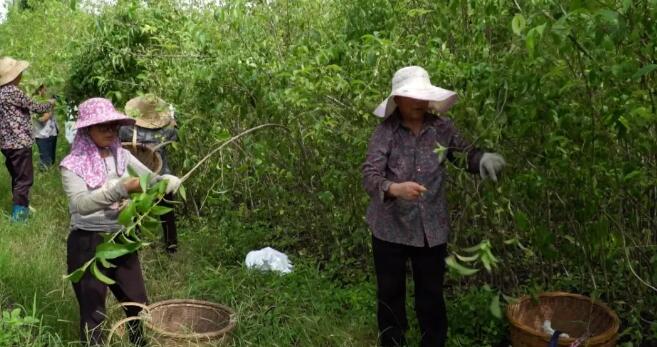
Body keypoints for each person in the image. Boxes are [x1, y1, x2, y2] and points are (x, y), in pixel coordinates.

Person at [362, 66, 506, 347]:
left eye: (422, 96)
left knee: (431, 292)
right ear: (398, 101)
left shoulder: (442, 128)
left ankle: (434, 341)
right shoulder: (386, 132)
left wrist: (482, 160)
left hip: (432, 228)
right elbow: (370, 175)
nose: (418, 101)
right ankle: (392, 340)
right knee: (390, 292)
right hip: (390, 228)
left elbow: (464, 154)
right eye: (411, 96)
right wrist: (395, 188)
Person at [60, 97, 181, 346]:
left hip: (122, 238)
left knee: (137, 302)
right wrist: (120, 189)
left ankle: (138, 342)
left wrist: (166, 182)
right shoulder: (72, 165)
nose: (109, 131)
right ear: (87, 129)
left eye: (113, 126)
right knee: (93, 311)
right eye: (102, 126)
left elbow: (149, 180)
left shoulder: (122, 155)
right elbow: (80, 205)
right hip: (89, 243)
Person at [119, 94, 179, 253]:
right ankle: (171, 246)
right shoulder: (168, 130)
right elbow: (176, 136)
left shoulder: (127, 128)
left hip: (136, 176)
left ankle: (134, 245)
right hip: (161, 175)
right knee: (167, 214)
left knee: (134, 211)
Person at [0, 57, 55, 222]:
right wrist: (50, 103)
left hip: (6, 144)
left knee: (17, 177)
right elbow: (35, 107)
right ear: (15, 76)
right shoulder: (13, 91)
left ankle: (21, 205)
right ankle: (19, 216)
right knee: (24, 179)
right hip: (19, 143)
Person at [32, 84, 59, 169]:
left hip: (52, 133)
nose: (46, 90)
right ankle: (45, 176)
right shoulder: (34, 102)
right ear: (39, 90)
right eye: (44, 89)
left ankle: (49, 175)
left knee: (51, 160)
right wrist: (51, 106)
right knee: (45, 162)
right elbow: (42, 119)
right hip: (42, 136)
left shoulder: (46, 101)